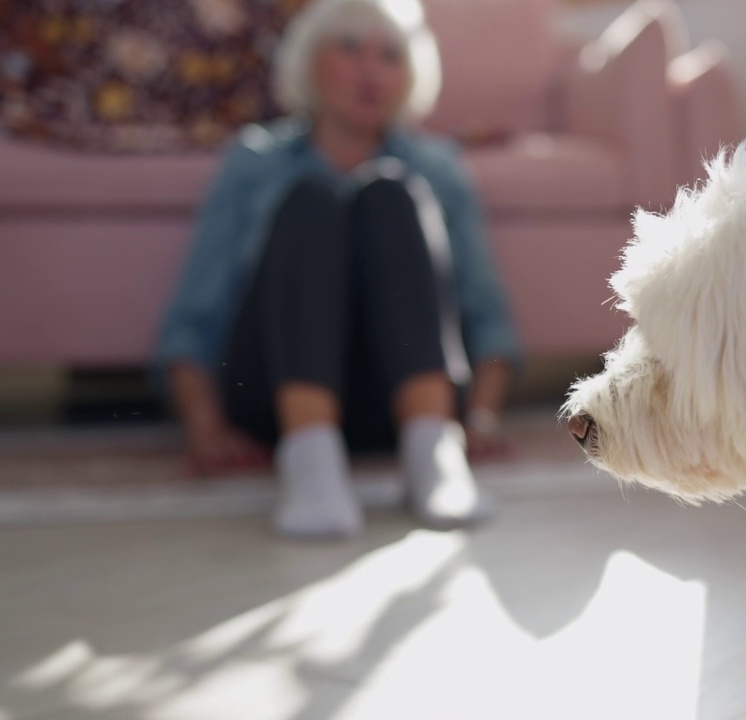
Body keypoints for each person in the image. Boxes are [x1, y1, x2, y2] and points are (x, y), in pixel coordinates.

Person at [154, 0, 521, 538]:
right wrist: (206, 428)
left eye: (391, 56)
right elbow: (195, 315)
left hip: (394, 405)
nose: (372, 71)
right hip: (275, 405)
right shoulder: (253, 162)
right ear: (309, 62)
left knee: (390, 192)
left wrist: (481, 418)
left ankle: (434, 452)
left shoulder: (438, 169)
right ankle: (310, 462)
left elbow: (486, 313)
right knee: (310, 199)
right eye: (350, 49)